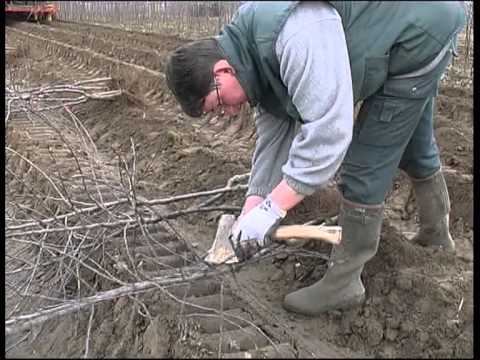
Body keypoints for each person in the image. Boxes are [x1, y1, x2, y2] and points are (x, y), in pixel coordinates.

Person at [165, 1, 466, 316]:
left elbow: (330, 133)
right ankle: (436, 235)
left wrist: (273, 208)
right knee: (412, 142)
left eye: (218, 104)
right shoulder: (252, 54)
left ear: (222, 70)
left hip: (420, 31)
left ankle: (345, 282)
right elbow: (274, 137)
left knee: (366, 162)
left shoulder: (295, 35)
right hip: (400, 29)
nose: (227, 112)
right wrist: (251, 208)